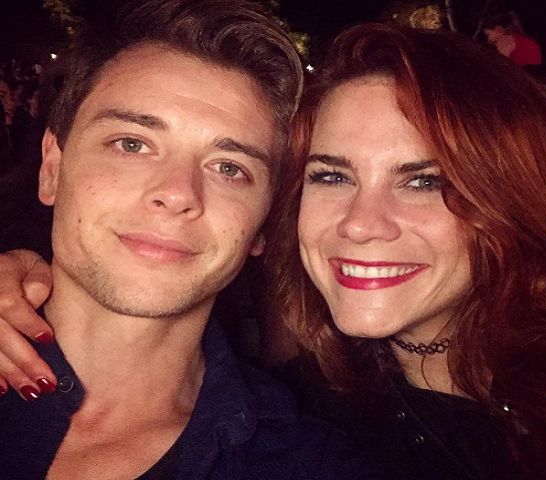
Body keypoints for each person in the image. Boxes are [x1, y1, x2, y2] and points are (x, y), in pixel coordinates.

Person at [1, 22, 546, 480]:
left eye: (424, 181)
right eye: (131, 144)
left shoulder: (308, 449)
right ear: (52, 165)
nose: (360, 225)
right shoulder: (322, 402)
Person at [0, 1, 387, 479]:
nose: (178, 193)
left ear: (263, 225)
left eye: (229, 168)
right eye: (131, 144)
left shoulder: (309, 464)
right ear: (52, 168)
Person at [264, 24, 546, 479]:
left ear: (514, 203)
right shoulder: (282, 427)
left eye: (425, 181)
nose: (359, 224)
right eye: (332, 177)